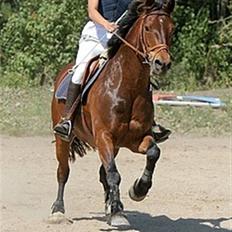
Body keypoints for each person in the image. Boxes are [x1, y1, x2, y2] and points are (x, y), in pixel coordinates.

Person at [54, 0, 171, 142]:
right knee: (79, 72)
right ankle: (67, 119)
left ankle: (149, 123)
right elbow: (92, 11)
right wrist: (106, 24)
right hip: (96, 34)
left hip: (121, 35)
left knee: (141, 72)